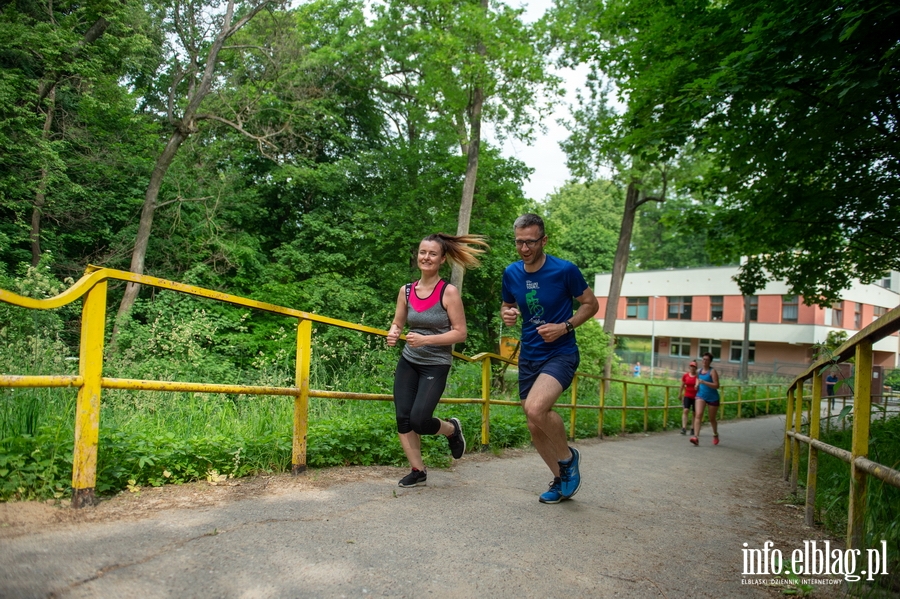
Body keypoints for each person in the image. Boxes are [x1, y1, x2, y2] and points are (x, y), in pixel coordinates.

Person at [500, 214, 600, 504]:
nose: (524, 248)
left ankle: (568, 459)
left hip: (561, 352)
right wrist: (507, 314)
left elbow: (591, 305)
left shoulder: (565, 270)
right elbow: (507, 306)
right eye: (519, 242)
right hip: (530, 354)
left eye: (530, 242)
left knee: (535, 408)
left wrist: (564, 326)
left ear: (543, 240)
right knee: (534, 423)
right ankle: (559, 480)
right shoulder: (511, 273)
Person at [387, 233, 489, 488]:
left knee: (421, 420)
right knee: (403, 417)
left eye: (433, 254)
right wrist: (394, 332)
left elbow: (460, 332)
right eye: (423, 252)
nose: (426, 257)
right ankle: (418, 470)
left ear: (442, 259)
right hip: (409, 361)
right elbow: (398, 321)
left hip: (436, 363)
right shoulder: (407, 291)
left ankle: (452, 429)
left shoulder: (448, 292)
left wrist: (426, 340)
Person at [690, 352, 720, 446]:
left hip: (712, 397)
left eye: (707, 360)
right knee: (698, 415)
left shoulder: (712, 371)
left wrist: (705, 382)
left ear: (710, 362)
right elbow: (697, 380)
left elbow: (717, 385)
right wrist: (696, 385)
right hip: (701, 395)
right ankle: (696, 437)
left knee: (712, 419)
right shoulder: (698, 371)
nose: (704, 361)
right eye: (703, 359)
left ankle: (715, 434)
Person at [679, 361, 699, 435]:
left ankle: (693, 428)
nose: (692, 368)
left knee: (694, 413)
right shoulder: (686, 376)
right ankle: (684, 428)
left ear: (696, 368)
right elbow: (682, 385)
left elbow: (699, 384)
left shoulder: (698, 376)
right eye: (691, 366)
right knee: (686, 410)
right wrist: (680, 394)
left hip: (696, 397)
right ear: (689, 367)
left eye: (694, 367)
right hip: (687, 395)